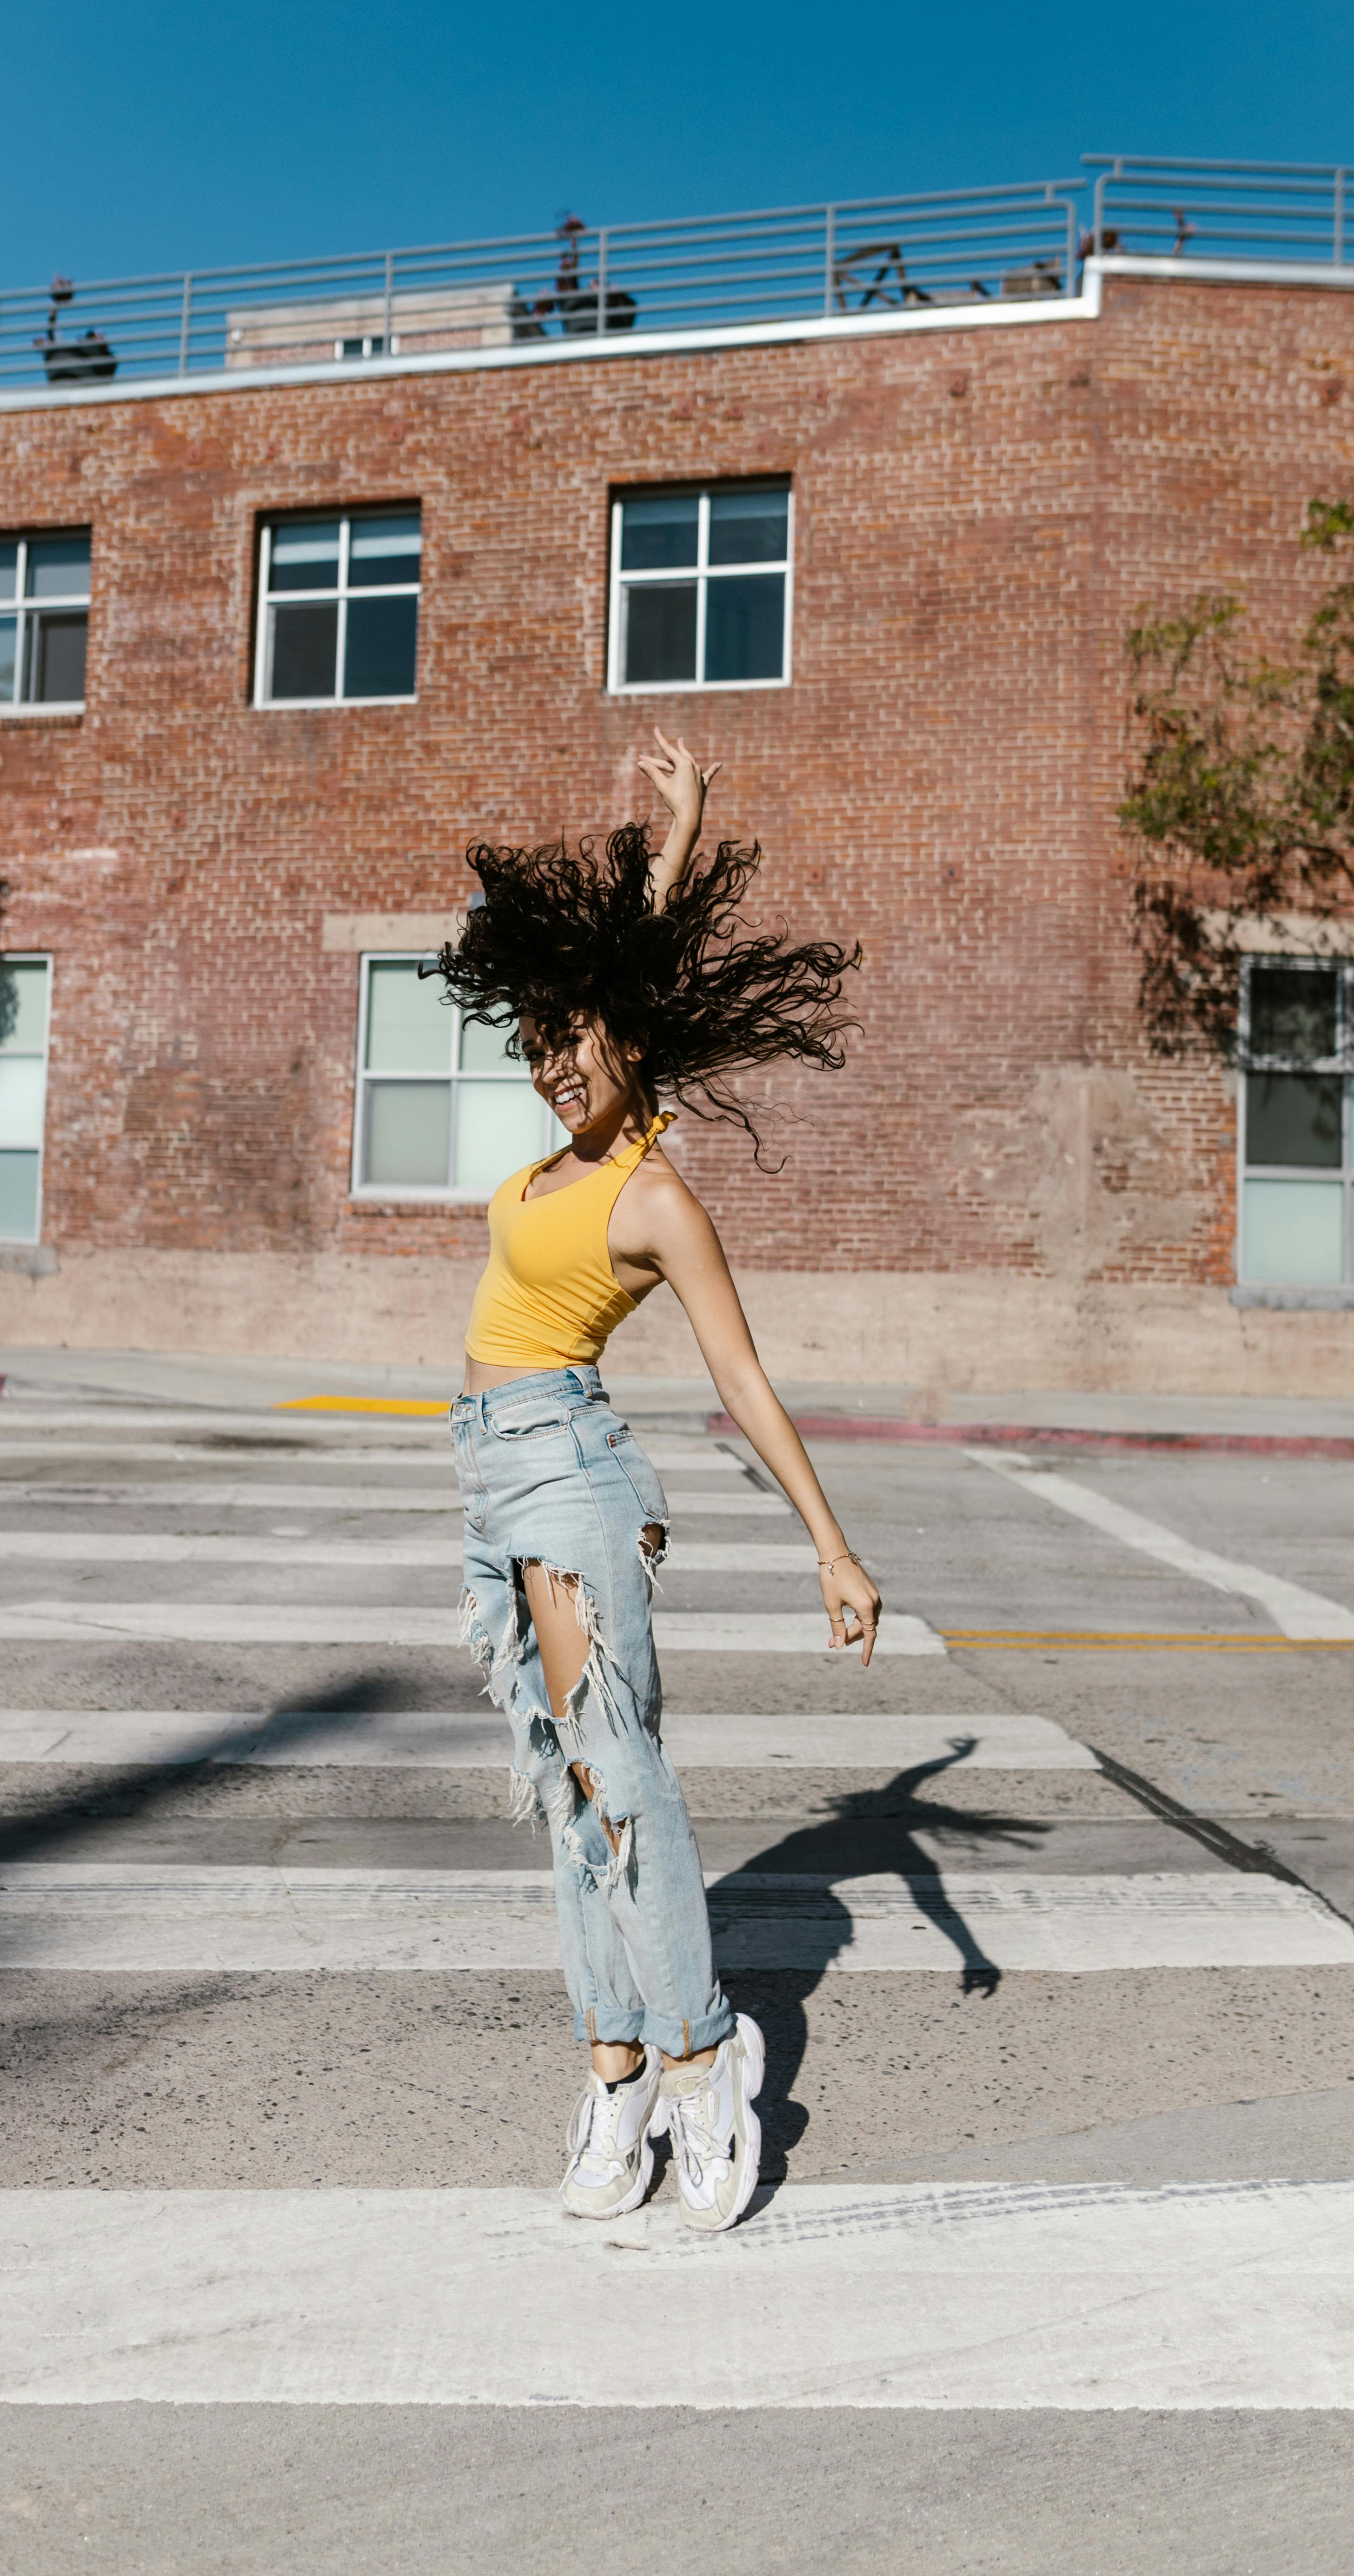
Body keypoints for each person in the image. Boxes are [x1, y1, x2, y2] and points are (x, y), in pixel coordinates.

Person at [439, 733, 882, 2234]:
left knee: (618, 1784)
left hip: (570, 1475)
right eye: (539, 1043)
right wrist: (671, 841)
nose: (557, 1062)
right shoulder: (553, 1167)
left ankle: (703, 2062)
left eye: (581, 1039)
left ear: (634, 1039)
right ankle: (615, 2070)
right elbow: (614, 962)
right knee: (572, 1798)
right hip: (494, 1480)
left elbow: (742, 1381)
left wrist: (833, 1547)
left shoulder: (654, 1196)